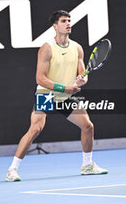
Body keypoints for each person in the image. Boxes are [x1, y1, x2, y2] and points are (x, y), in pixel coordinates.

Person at [6, 10, 108, 182]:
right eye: (63, 21)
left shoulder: (77, 48)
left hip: (65, 98)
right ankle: (12, 169)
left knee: (88, 126)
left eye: (69, 20)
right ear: (55, 26)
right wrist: (64, 88)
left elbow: (83, 73)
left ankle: (87, 165)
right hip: (47, 95)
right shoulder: (47, 47)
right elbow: (40, 78)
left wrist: (82, 79)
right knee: (35, 129)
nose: (68, 23)